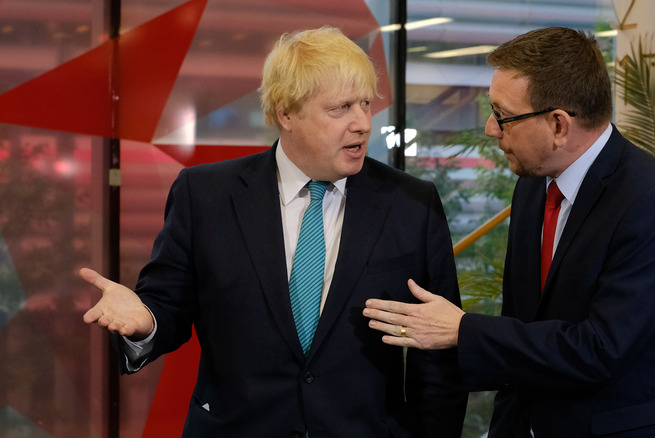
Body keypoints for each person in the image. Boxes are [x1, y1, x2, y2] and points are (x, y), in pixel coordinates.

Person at [81, 26, 467, 437]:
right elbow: (169, 305)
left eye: (366, 104)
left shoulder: (411, 202)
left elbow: (441, 357)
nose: (361, 124)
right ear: (286, 113)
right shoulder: (206, 195)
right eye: (340, 108)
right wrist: (146, 321)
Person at [364, 26, 655, 437]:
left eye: (503, 115)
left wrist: (461, 330)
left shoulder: (653, 201)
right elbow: (526, 324)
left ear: (559, 126)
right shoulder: (532, 184)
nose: (491, 129)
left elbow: (600, 349)